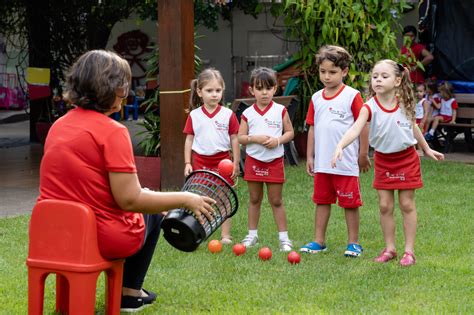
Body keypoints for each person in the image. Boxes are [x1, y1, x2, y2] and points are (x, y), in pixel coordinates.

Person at [38, 50, 216, 312]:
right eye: (123, 88)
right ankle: (130, 293)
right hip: (101, 237)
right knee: (153, 213)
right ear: (109, 88)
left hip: (54, 234)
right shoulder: (113, 132)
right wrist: (186, 198)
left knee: (148, 203)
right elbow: (130, 199)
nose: (126, 95)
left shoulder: (58, 126)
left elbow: (85, 185)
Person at [332, 59, 444, 266]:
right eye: (375, 76)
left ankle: (409, 252)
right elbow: (355, 129)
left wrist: (426, 149)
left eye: (384, 76)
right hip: (384, 160)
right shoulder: (369, 107)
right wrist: (340, 145)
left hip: (406, 158)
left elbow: (413, 126)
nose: (378, 80)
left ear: (397, 80)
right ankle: (390, 248)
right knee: (385, 205)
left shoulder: (404, 103)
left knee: (406, 204)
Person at [299, 45, 371, 258]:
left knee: (350, 203)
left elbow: (364, 125)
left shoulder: (352, 96)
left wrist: (363, 154)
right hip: (322, 164)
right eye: (323, 72)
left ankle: (354, 243)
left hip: (346, 163)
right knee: (322, 201)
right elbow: (312, 127)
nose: (327, 77)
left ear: (345, 71)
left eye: (332, 72)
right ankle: (319, 241)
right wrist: (310, 156)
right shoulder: (316, 98)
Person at [238, 67, 295, 251]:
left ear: (275, 89)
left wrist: (277, 140)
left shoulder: (280, 111)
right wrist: (256, 138)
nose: (264, 93)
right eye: (259, 88)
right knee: (254, 199)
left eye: (268, 88)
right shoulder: (247, 113)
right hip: (254, 161)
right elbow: (240, 138)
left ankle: (284, 239)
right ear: (252, 90)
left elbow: (290, 132)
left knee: (276, 200)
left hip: (274, 161)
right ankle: (252, 235)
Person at [183, 68, 240, 244]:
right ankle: (200, 230)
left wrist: (236, 162)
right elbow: (189, 140)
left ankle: (225, 235)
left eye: (218, 90)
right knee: (200, 198)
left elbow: (235, 139)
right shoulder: (194, 115)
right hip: (200, 160)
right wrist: (187, 162)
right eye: (209, 90)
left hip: (223, 161)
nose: (214, 95)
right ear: (199, 92)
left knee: (224, 198)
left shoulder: (228, 114)